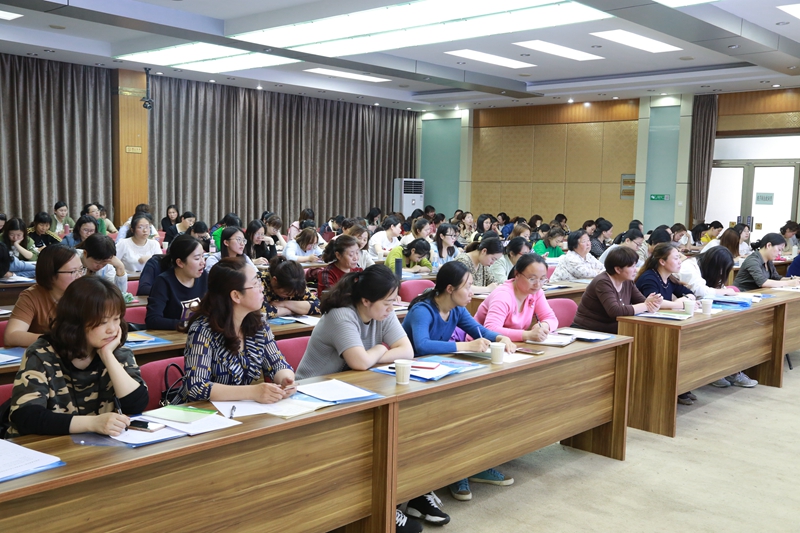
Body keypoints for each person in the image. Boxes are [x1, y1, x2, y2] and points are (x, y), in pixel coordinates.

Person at [294, 265, 440, 530]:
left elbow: (406, 351)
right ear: (365, 300)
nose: (392, 307)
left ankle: (409, 493)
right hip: (313, 397)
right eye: (387, 302)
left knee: (407, 426)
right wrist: (381, 346)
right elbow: (359, 362)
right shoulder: (341, 315)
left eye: (394, 300)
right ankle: (378, 508)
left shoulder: (382, 312)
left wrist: (374, 352)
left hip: (354, 390)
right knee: (373, 442)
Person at [402, 261, 516, 502]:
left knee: (480, 403)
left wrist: (500, 337)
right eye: (468, 286)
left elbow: (479, 330)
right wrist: (465, 346)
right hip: (413, 379)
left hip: (441, 373)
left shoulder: (457, 309)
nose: (472, 292)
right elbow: (421, 345)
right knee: (458, 413)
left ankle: (474, 464)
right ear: (450, 289)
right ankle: (457, 471)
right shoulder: (423, 309)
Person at [6, 276, 148, 438]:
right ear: (76, 322)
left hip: (97, 446)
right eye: (103, 322)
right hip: (46, 445)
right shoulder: (41, 353)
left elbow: (136, 405)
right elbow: (26, 416)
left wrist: (107, 355)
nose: (112, 329)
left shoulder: (117, 352)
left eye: (116, 319)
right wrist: (92, 423)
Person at [181, 258, 295, 404]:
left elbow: (277, 363)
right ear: (236, 295)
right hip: (201, 410)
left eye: (259, 281)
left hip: (238, 409)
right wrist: (252, 392)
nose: (261, 288)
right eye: (255, 284)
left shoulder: (258, 323)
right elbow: (196, 386)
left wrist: (286, 379)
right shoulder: (202, 330)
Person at [4, 245, 83, 347]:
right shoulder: (32, 297)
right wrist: (57, 340)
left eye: (81, 269)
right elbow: (11, 336)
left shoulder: (86, 294)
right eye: (73, 271)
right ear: (51, 275)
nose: (80, 276)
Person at [572, 246, 662, 334]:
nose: (636, 270)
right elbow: (615, 311)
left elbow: (642, 302)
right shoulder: (602, 282)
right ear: (618, 269)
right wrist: (646, 305)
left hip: (612, 330)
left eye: (635, 266)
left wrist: (652, 305)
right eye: (632, 266)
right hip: (588, 331)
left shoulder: (627, 281)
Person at [476, 253, 558, 342]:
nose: (538, 284)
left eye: (542, 279)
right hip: (482, 344)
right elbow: (491, 329)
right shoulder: (503, 295)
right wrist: (527, 335)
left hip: (511, 344)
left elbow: (551, 318)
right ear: (517, 274)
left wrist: (544, 326)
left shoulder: (536, 293)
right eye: (532, 279)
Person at [145, 234, 208, 330]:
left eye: (203, 256)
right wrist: (186, 325)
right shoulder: (163, 282)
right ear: (180, 263)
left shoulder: (204, 277)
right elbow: (152, 320)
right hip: (172, 337)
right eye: (197, 258)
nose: (203, 262)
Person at [635, 243, 696, 311]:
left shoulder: (669, 278)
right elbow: (654, 302)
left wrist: (683, 300)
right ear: (662, 262)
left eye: (679, 258)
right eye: (676, 258)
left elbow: (690, 294)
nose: (679, 262)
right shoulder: (649, 278)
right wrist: (681, 304)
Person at [734, 232, 800, 291]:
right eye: (779, 249)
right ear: (768, 245)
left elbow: (776, 278)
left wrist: (792, 279)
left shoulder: (768, 260)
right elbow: (763, 282)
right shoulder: (753, 260)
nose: (780, 253)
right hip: (742, 294)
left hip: (758, 293)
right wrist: (789, 283)